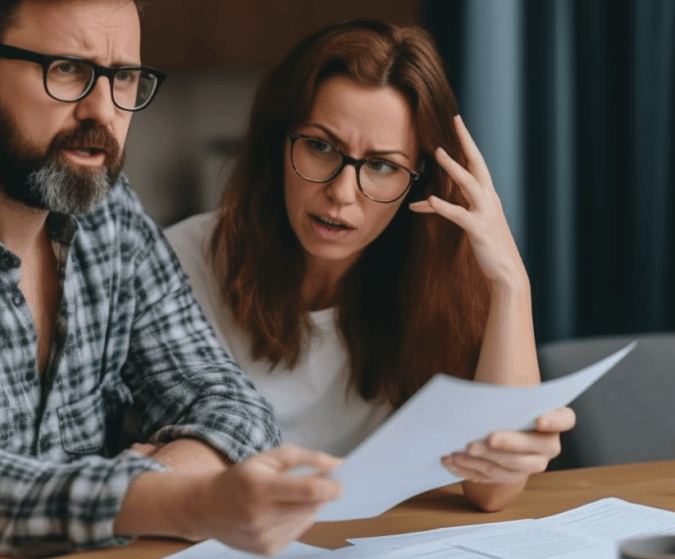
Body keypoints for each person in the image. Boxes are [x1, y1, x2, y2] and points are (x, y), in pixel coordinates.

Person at [0, 0, 343, 556]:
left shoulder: (110, 213)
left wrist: (163, 478)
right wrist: (177, 500)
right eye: (68, 70)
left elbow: (227, 400)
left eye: (123, 77)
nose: (102, 111)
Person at [165, 19, 577, 513]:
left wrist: (512, 281)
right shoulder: (180, 263)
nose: (341, 193)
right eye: (320, 146)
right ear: (280, 140)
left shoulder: (435, 282)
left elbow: (493, 491)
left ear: (418, 183)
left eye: (382, 166)